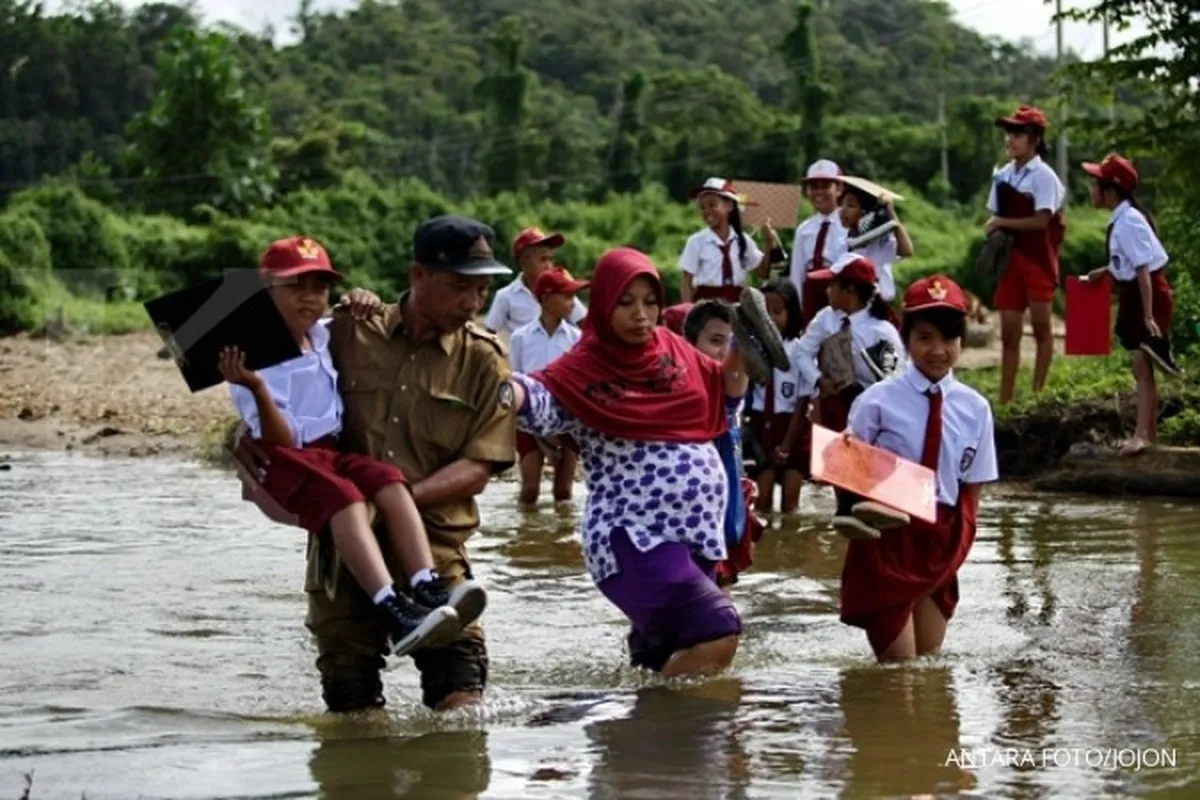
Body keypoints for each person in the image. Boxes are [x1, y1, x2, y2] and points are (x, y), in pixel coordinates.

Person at [234, 216, 517, 713]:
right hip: (341, 563)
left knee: (462, 709)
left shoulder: (484, 359)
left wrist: (391, 501)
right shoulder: (348, 330)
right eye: (459, 288)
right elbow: (282, 389)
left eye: (481, 290)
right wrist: (241, 443)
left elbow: (480, 464)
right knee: (353, 719)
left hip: (435, 552)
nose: (472, 304)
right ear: (417, 275)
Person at [506, 247, 781, 676]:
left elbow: (723, 396)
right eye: (626, 302)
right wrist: (502, 390)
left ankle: (644, 732)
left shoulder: (674, 351)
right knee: (718, 629)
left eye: (651, 302)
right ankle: (675, 729)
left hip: (697, 536)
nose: (642, 314)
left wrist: (740, 354)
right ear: (602, 304)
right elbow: (539, 396)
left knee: (653, 663)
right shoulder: (585, 366)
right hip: (634, 538)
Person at [836, 275, 999, 661]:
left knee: (929, 666)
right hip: (887, 538)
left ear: (962, 340)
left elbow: (970, 492)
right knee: (899, 672)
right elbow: (845, 476)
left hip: (940, 540)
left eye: (949, 339)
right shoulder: (876, 402)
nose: (938, 350)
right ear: (906, 339)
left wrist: (958, 548)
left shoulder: (976, 408)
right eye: (925, 337)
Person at [1080, 154, 1181, 456]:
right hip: (1135, 295)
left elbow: (1143, 271)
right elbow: (1126, 262)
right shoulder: (1123, 219)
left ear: (1110, 191)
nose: (1090, 189)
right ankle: (1147, 433)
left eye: (1095, 184)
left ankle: (1141, 436)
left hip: (1145, 296)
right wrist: (1105, 271)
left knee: (1141, 364)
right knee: (1142, 366)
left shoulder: (1128, 222)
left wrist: (1149, 315)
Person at [678, 300, 767, 587]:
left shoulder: (728, 388)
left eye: (733, 343)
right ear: (689, 344)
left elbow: (734, 388)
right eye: (717, 341)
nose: (725, 351)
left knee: (721, 599)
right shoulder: (677, 393)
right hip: (685, 513)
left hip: (725, 505)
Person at [986, 105, 1066, 405]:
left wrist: (1000, 223)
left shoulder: (1045, 176)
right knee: (1008, 333)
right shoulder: (1003, 175)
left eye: (1017, 133)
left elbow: (1041, 221)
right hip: (1010, 261)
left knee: (1043, 328)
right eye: (1009, 133)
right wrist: (993, 232)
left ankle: (1038, 394)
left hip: (1038, 260)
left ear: (1033, 138)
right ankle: (1005, 399)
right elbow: (992, 215)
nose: (1010, 139)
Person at [795, 255, 905, 436]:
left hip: (869, 419)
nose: (827, 290)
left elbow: (893, 382)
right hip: (830, 411)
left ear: (850, 290)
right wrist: (818, 379)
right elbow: (802, 353)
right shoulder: (826, 317)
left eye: (832, 285)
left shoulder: (880, 331)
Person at [508, 266, 589, 506]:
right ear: (545, 298)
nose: (573, 303)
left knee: (563, 493)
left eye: (574, 296)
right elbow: (516, 379)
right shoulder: (521, 337)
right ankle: (526, 541)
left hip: (565, 421)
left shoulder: (576, 338)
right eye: (566, 296)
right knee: (529, 490)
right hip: (528, 422)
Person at [743, 279, 811, 515]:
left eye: (778, 311)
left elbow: (803, 402)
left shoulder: (800, 350)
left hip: (792, 425)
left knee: (790, 504)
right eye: (765, 312)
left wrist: (787, 445)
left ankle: (790, 548)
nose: (771, 318)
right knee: (761, 502)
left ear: (791, 314)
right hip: (761, 425)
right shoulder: (751, 348)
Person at [678, 177, 779, 304]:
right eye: (702, 207)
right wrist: (687, 309)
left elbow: (763, 273)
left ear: (729, 206)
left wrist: (769, 241)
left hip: (738, 304)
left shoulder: (743, 241)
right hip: (707, 305)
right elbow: (686, 281)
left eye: (712, 205)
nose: (707, 211)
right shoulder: (696, 242)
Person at [484, 227, 586, 335]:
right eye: (543, 260)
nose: (548, 266)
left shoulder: (562, 293)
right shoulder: (505, 297)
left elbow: (585, 324)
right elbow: (490, 332)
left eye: (551, 259)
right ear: (523, 262)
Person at [839, 180, 914, 315]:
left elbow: (907, 250)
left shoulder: (881, 242)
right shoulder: (842, 242)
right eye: (842, 204)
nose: (843, 210)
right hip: (851, 309)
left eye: (851, 205)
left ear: (865, 213)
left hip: (879, 309)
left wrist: (890, 212)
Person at [789, 159, 849, 326]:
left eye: (825, 186)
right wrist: (796, 308)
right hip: (811, 295)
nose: (818, 192)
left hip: (838, 290)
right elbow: (797, 272)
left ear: (839, 188)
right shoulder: (804, 229)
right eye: (814, 187)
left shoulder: (848, 224)